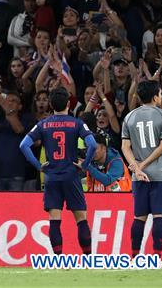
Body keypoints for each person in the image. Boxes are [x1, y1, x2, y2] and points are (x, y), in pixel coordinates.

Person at [19, 87, 97, 256]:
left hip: (51, 177)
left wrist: (38, 166)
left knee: (54, 220)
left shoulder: (43, 124)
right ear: (68, 104)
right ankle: (88, 258)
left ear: (50, 105)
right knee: (81, 219)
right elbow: (93, 144)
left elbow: (23, 145)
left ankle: (58, 259)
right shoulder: (76, 123)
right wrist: (84, 166)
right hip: (71, 176)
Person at [121, 81, 162, 263]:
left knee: (139, 217)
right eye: (159, 93)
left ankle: (135, 258)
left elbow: (125, 147)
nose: (160, 96)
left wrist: (136, 168)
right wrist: (142, 166)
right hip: (159, 174)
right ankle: (157, 259)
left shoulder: (129, 117)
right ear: (154, 96)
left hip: (138, 177)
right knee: (159, 216)